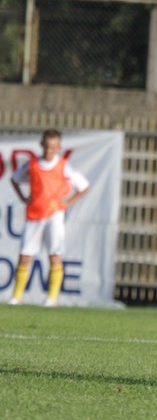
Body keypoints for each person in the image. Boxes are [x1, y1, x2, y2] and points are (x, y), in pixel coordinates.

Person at [9, 129, 91, 307]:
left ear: (58, 147)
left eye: (53, 148)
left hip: (54, 214)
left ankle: (52, 298)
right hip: (34, 214)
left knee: (55, 254)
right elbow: (15, 179)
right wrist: (23, 198)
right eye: (47, 147)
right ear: (42, 146)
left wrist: (68, 202)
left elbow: (84, 186)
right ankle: (17, 296)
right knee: (25, 255)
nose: (49, 151)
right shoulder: (32, 165)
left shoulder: (64, 166)